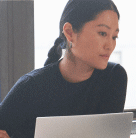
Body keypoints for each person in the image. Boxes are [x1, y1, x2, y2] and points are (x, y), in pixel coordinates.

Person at [0, 0, 127, 137]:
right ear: (70, 32)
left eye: (114, 36)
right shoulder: (30, 86)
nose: (110, 45)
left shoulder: (114, 76)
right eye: (102, 33)